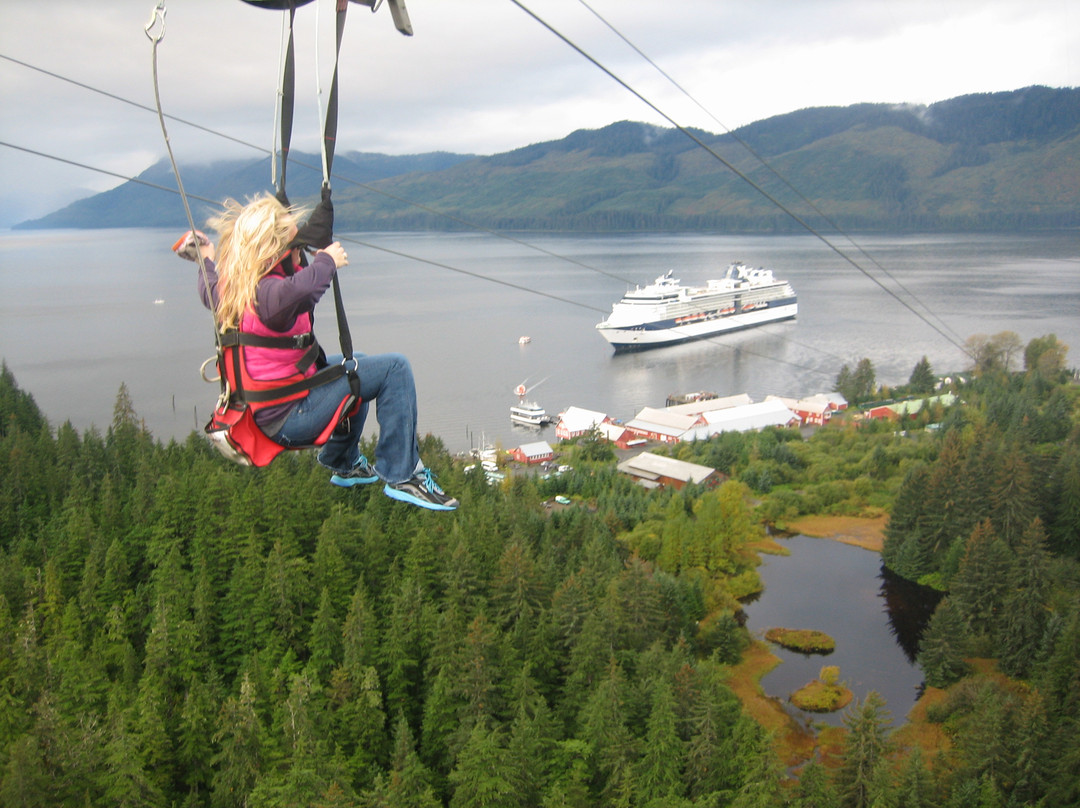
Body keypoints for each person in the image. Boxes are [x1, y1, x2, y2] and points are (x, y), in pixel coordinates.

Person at [178, 192, 458, 511]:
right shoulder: (269, 296)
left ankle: (342, 459)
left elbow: (208, 280)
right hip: (291, 418)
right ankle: (404, 474)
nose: (299, 253)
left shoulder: (231, 286)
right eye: (294, 246)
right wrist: (328, 260)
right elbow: (304, 288)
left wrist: (205, 253)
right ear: (273, 252)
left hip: (267, 412)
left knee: (358, 363)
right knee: (395, 368)